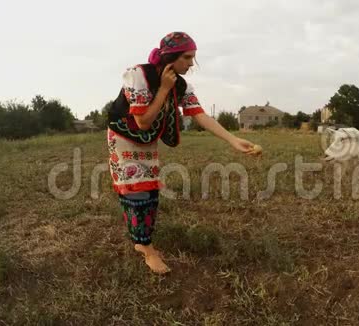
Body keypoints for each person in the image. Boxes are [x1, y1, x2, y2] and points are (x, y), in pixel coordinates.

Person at [107, 32, 256, 274]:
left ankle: (142, 241)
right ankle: (146, 248)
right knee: (136, 191)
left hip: (146, 140)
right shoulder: (139, 75)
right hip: (124, 137)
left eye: (193, 57)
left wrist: (233, 139)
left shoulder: (182, 84)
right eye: (187, 57)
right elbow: (143, 121)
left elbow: (199, 115)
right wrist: (164, 89)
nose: (191, 63)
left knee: (150, 190)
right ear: (171, 57)